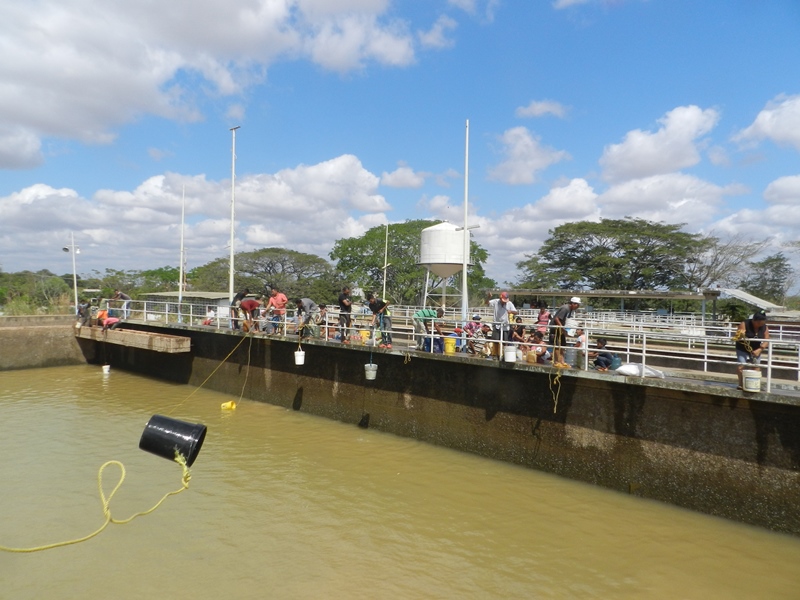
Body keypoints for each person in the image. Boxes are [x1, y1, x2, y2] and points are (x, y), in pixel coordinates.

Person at [735, 312, 770, 391]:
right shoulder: (744, 324)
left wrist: (760, 349)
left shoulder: (764, 327)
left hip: (756, 348)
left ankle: (756, 384)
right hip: (742, 347)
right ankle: (741, 384)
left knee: (756, 365)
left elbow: (767, 340)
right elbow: (738, 336)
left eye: (762, 323)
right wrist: (741, 334)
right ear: (754, 320)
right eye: (758, 323)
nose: (760, 325)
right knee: (741, 364)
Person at [487, 291, 518, 359]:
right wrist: (488, 297)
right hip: (496, 324)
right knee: (495, 340)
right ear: (500, 298)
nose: (504, 302)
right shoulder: (496, 301)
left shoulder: (509, 303)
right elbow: (487, 303)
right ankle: (495, 355)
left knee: (505, 341)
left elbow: (516, 312)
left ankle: (504, 355)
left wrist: (511, 311)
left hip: (505, 325)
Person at [550, 296, 581, 367]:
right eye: (577, 304)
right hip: (555, 328)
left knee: (562, 344)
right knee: (557, 345)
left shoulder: (570, 310)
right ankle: (557, 361)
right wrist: (562, 328)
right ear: (573, 304)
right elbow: (557, 319)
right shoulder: (565, 308)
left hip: (561, 328)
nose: (578, 306)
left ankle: (562, 361)